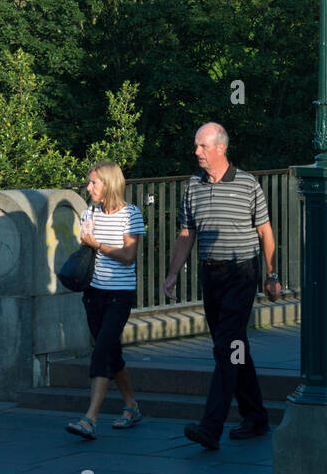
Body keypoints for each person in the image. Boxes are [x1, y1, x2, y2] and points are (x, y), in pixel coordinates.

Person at [164, 123, 281, 450]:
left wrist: (272, 275)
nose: (196, 152)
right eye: (196, 145)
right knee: (234, 346)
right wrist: (173, 273)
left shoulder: (247, 184)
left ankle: (210, 428)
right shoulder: (192, 186)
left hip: (242, 272)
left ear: (220, 148)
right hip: (211, 275)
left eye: (202, 146)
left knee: (225, 348)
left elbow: (265, 232)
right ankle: (256, 416)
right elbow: (187, 234)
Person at [65, 161, 145, 439]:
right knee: (111, 352)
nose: (89, 187)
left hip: (119, 296)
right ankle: (131, 405)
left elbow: (128, 256)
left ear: (109, 184)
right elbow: (85, 246)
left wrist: (96, 244)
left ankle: (90, 418)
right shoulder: (90, 211)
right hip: (93, 294)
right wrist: (86, 236)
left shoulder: (131, 215)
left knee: (100, 352)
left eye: (93, 182)